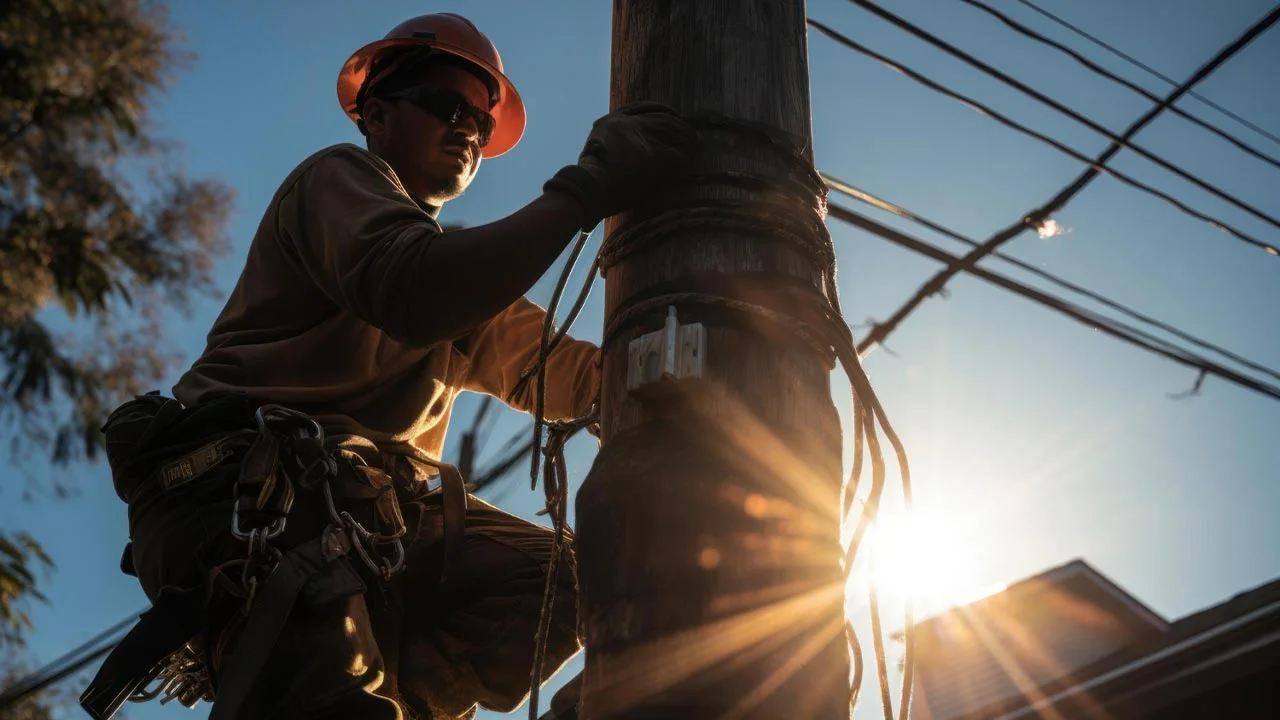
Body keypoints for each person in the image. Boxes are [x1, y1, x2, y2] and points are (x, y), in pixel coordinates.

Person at [83, 13, 695, 720]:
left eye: (479, 121)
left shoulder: (469, 285)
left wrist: (700, 380)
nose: (468, 128)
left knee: (580, 584)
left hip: (376, 524)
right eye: (445, 104)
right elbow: (413, 287)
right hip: (250, 498)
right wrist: (584, 190)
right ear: (375, 113)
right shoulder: (337, 181)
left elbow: (577, 381)